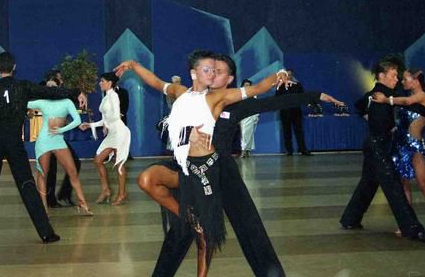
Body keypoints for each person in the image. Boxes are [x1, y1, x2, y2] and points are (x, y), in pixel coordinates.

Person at [137, 53, 343, 277]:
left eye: (219, 72)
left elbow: (274, 102)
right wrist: (188, 134)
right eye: (211, 70)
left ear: (229, 79)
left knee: (250, 228)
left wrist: (314, 95)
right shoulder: (189, 97)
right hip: (191, 168)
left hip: (224, 172)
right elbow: (166, 127)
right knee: (181, 229)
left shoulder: (237, 104)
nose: (213, 75)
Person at [113, 51, 299, 276]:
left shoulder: (218, 97)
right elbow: (155, 82)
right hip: (185, 167)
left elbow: (257, 89)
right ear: (194, 73)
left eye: (214, 70)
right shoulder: (180, 92)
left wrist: (279, 74)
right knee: (146, 179)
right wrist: (133, 65)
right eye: (207, 69)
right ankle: (189, 219)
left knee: (206, 237)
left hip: (206, 168)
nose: (212, 74)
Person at [0, 52, 87, 245]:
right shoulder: (24, 87)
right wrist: (76, 92)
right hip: (14, 142)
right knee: (27, 185)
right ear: (14, 67)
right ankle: (46, 234)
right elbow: (51, 93)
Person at [340, 55, 425, 243]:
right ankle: (413, 229)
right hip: (378, 146)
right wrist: (376, 123)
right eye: (393, 75)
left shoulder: (379, 94)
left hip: (377, 144)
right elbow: (362, 107)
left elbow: (359, 107)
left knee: (368, 183)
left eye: (398, 76)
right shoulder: (379, 96)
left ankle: (350, 219)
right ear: (382, 75)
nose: (396, 79)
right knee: (393, 186)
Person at [372, 68, 425, 228]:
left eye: (405, 79)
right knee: (404, 187)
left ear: (416, 80)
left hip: (414, 147)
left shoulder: (422, 96)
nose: (402, 82)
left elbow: (407, 102)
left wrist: (386, 99)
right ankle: (407, 226)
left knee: (424, 186)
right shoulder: (405, 98)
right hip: (401, 146)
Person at [28, 77, 92, 216]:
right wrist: (28, 111)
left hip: (58, 140)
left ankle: (83, 204)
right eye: (47, 86)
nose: (50, 88)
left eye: (53, 85)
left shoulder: (67, 102)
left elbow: (77, 121)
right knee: (43, 174)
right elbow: (25, 103)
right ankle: (44, 208)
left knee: (72, 171)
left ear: (59, 87)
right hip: (44, 141)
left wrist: (60, 130)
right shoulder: (42, 102)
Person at [79, 72, 131, 206]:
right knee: (98, 160)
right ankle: (106, 190)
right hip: (112, 133)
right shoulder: (106, 97)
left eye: (102, 81)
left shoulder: (114, 96)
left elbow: (116, 116)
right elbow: (104, 119)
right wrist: (90, 125)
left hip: (119, 132)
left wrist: (106, 124)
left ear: (110, 83)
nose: (100, 83)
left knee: (119, 164)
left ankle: (122, 194)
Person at [43, 69, 82, 208]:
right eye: (60, 79)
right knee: (50, 168)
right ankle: (50, 199)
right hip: (48, 137)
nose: (62, 81)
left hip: (56, 136)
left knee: (72, 163)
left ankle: (61, 195)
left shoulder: (60, 94)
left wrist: (79, 94)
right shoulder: (45, 91)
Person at [276, 69, 311, 156]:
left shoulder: (297, 85)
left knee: (299, 132)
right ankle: (289, 151)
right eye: (286, 75)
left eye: (290, 75)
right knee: (287, 133)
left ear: (292, 75)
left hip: (296, 113)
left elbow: (302, 96)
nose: (288, 76)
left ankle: (303, 150)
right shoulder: (280, 86)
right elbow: (276, 98)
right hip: (285, 113)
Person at [239, 79, 259, 158]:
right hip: (243, 116)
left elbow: (256, 106)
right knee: (244, 134)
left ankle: (248, 151)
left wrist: (256, 116)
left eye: (248, 85)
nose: (247, 86)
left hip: (251, 116)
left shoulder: (254, 94)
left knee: (250, 135)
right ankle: (243, 150)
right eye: (245, 85)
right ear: (242, 86)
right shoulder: (239, 94)